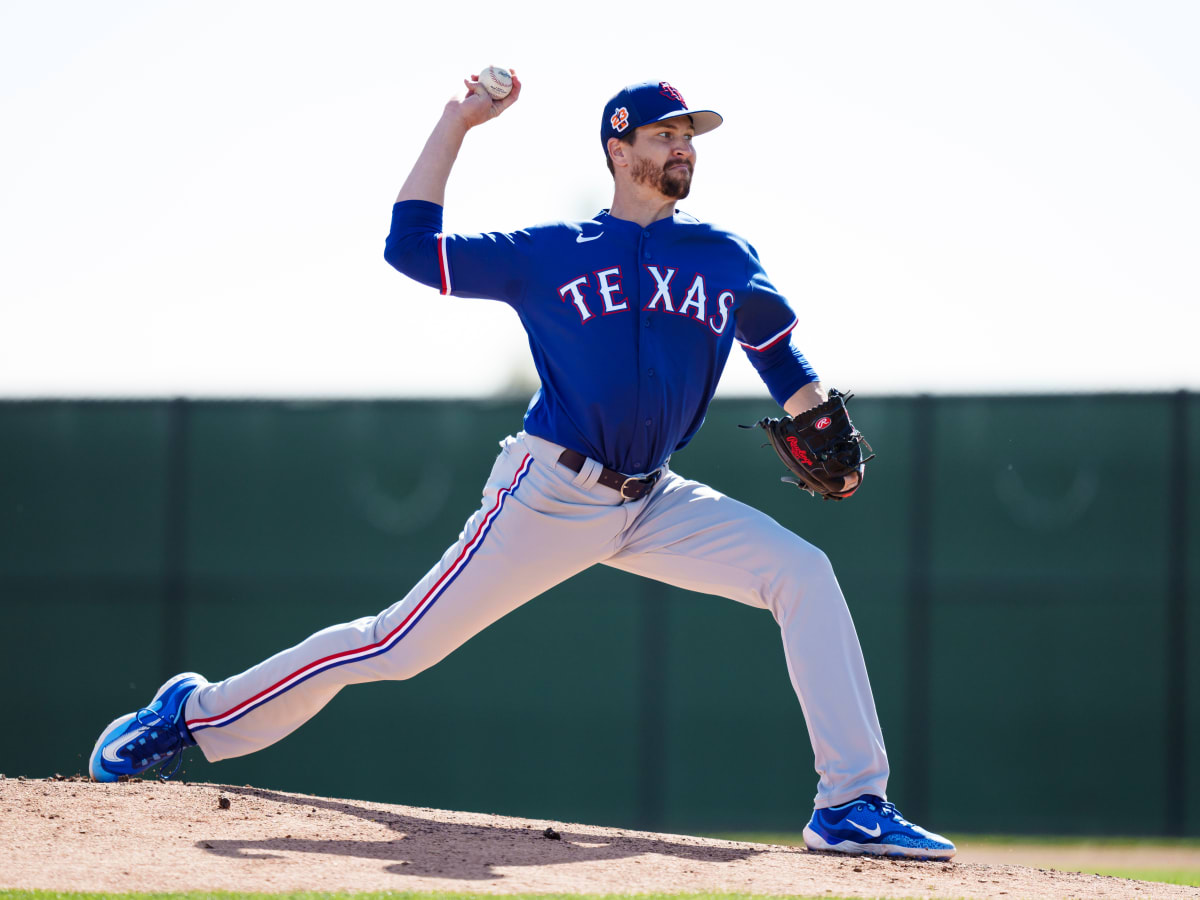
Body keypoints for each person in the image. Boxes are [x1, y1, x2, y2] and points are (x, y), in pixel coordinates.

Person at [88, 74, 955, 861]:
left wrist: (820, 428)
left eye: (690, 134)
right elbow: (410, 248)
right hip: (551, 492)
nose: (683, 146)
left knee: (803, 572)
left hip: (656, 498)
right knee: (397, 645)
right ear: (619, 150)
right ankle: (191, 713)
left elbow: (777, 355)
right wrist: (455, 123)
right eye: (664, 134)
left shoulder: (724, 256)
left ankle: (850, 803)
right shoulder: (552, 250)